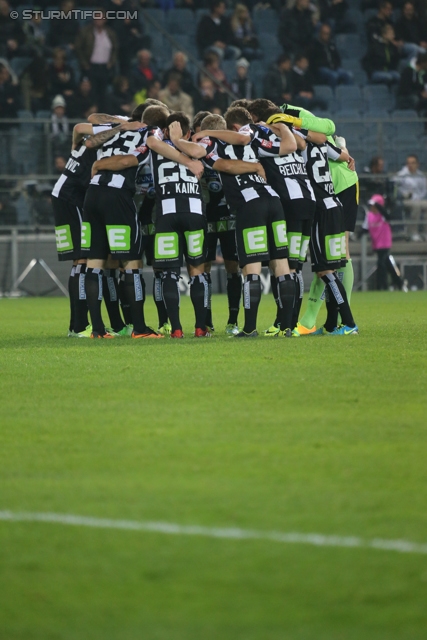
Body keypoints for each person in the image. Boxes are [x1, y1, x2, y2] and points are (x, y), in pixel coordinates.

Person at [172, 106, 298, 338]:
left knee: (251, 269)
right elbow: (290, 146)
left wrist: (176, 139)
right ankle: (287, 327)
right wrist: (282, 128)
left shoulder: (211, 143)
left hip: (250, 206)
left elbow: (198, 153)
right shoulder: (253, 140)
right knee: (281, 264)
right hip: (274, 202)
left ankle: (249, 328)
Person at [82, 106, 204, 339]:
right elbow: (129, 159)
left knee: (94, 263)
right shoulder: (149, 133)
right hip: (116, 198)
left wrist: (118, 129)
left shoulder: (116, 127)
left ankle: (97, 330)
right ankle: (139, 328)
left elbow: (89, 128)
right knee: (131, 264)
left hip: (92, 195)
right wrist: (188, 163)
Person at [51, 119, 124, 336]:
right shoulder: (104, 139)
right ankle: (81, 326)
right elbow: (82, 128)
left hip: (63, 196)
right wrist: (120, 128)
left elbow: (81, 130)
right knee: (83, 259)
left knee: (79, 261)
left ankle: (76, 325)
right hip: (70, 199)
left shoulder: (90, 142)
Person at [191, 112, 242, 335]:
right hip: (230, 215)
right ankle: (232, 321)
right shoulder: (232, 148)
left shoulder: (197, 152)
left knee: (204, 269)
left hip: (205, 216)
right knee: (233, 268)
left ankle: (207, 322)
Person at [75, 11, 118, 111]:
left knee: (104, 94)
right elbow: (78, 48)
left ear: (105, 20)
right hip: (91, 67)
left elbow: (115, 48)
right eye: (97, 18)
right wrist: (84, 64)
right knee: (92, 93)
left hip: (105, 67)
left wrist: (111, 62)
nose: (99, 21)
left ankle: (104, 116)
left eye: (101, 18)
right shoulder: (86, 31)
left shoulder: (110, 33)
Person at [362, 194, 406, 291]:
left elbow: (388, 216)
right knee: (388, 264)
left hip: (384, 243)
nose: (372, 208)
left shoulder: (383, 215)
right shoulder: (369, 216)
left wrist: (379, 206)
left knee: (381, 263)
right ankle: (399, 282)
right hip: (376, 244)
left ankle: (382, 286)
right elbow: (364, 229)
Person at [392, 154, 427, 241]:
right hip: (406, 200)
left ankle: (425, 233)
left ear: (417, 164)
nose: (410, 165)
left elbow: (424, 189)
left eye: (413, 163)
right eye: (408, 163)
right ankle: (413, 233)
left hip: (419, 199)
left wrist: (420, 197)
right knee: (416, 206)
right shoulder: (402, 174)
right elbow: (394, 185)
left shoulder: (420, 175)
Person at [309, 23, 353, 89]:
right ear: (320, 33)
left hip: (334, 68)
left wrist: (336, 66)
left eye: (328, 34)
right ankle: (334, 96)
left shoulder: (331, 45)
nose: (326, 36)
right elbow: (313, 62)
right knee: (334, 75)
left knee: (349, 75)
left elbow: (337, 58)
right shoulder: (314, 45)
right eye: (324, 33)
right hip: (321, 69)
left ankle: (349, 96)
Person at [396, 52, 427, 117]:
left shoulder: (424, 73)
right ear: (423, 63)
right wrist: (420, 94)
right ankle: (413, 117)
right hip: (406, 96)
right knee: (415, 99)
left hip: (420, 95)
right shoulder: (408, 72)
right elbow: (404, 89)